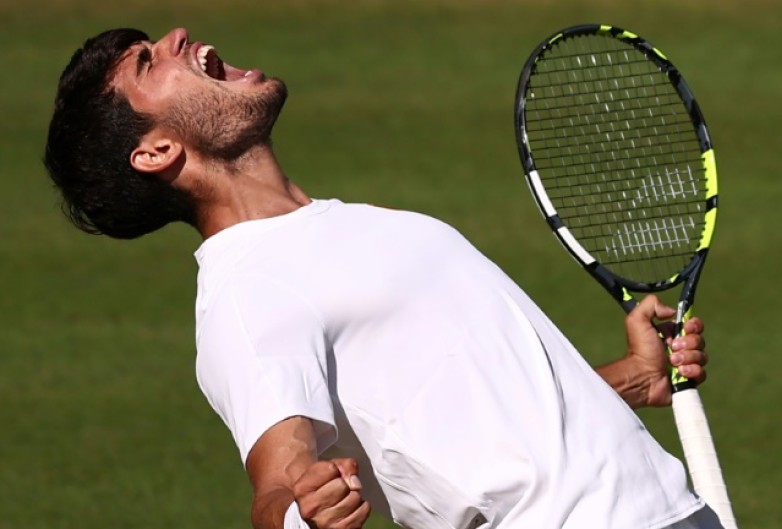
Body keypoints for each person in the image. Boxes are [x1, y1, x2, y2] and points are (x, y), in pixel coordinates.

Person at [44, 27, 723, 529]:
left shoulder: (346, 223)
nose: (177, 36)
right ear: (156, 150)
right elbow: (277, 480)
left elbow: (469, 416)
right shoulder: (247, 295)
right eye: (147, 61)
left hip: (665, 510)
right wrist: (298, 513)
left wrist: (634, 376)